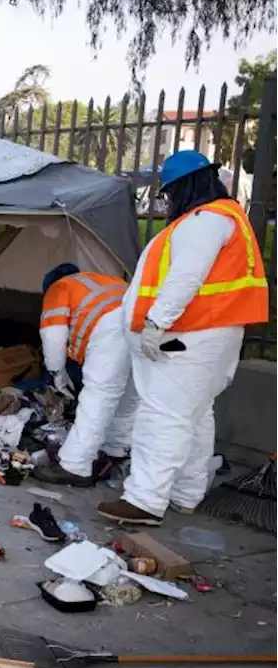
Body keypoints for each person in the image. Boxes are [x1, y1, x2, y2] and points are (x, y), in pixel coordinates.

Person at [99, 150, 269, 525]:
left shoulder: (205, 221)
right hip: (208, 337)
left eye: (170, 193)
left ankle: (144, 500)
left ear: (185, 187)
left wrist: (156, 323)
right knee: (194, 417)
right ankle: (187, 493)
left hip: (188, 338)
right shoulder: (224, 220)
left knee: (162, 418)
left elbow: (185, 277)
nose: (168, 201)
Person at [31, 263, 137, 486]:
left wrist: (56, 371)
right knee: (129, 394)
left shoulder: (59, 288)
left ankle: (75, 466)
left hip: (112, 330)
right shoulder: (106, 282)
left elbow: (53, 334)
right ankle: (115, 450)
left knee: (97, 397)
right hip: (143, 323)